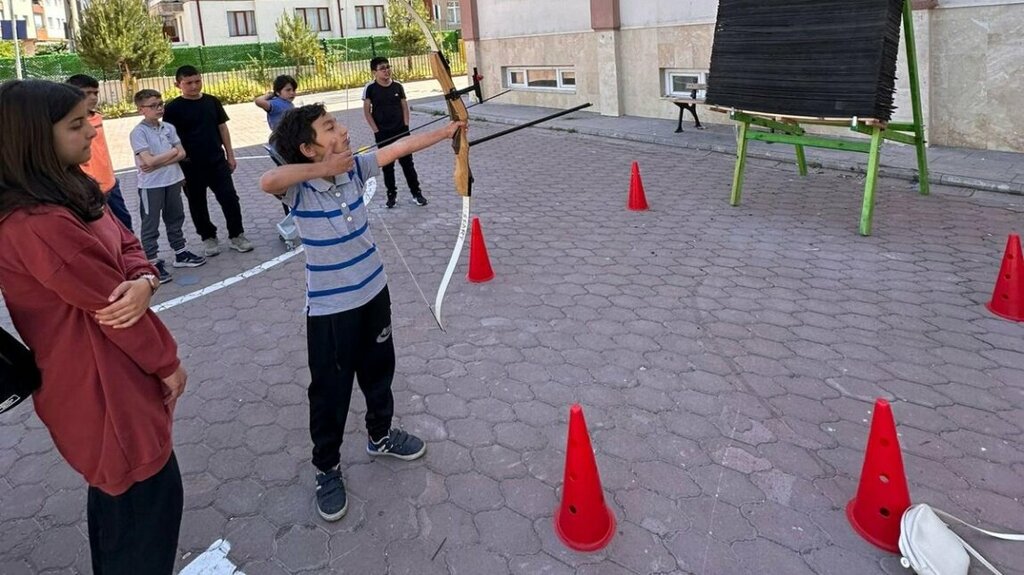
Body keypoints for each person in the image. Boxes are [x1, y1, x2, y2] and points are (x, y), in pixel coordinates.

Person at [0, 79, 186, 574]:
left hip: (117, 378)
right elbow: (114, 312)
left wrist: (145, 278)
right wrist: (168, 364)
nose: (92, 132)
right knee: (141, 515)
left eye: (91, 119)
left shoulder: (69, 187)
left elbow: (126, 243)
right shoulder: (35, 222)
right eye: (77, 124)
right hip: (101, 388)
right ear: (34, 138)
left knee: (126, 509)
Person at [260, 104, 463, 522]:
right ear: (308, 148)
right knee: (330, 392)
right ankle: (327, 467)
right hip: (331, 311)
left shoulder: (356, 169)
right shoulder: (299, 188)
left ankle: (381, 435)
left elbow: (400, 146)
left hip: (374, 293)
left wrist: (448, 132)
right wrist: (321, 170)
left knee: (378, 371)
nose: (343, 131)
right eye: (330, 128)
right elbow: (268, 180)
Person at [163, 65, 253, 257]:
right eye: (189, 83)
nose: (194, 86)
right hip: (189, 166)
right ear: (178, 84)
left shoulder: (212, 101)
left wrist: (230, 154)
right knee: (197, 203)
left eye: (197, 81)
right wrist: (177, 166)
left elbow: (222, 129)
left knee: (229, 198)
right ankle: (208, 237)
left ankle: (237, 235)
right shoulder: (172, 108)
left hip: (217, 161)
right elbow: (169, 139)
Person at [130, 88, 207, 283]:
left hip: (172, 180)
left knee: (175, 217)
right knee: (150, 223)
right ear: (141, 109)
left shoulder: (168, 128)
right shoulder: (138, 133)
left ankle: (180, 252)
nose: (159, 108)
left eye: (160, 104)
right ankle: (152, 261)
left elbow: (181, 153)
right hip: (151, 185)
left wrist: (160, 160)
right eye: (153, 106)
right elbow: (148, 161)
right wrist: (170, 155)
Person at [65, 74, 134, 232]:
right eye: (86, 93)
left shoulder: (97, 118)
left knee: (124, 226)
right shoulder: (64, 122)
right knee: (99, 230)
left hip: (109, 183)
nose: (93, 97)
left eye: (95, 93)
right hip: (87, 187)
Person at [362, 57, 427, 209]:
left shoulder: (398, 86)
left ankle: (416, 193)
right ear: (374, 72)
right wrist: (376, 131)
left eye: (388, 67)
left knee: (408, 164)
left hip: (401, 132)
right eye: (382, 68)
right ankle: (391, 196)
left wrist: (405, 125)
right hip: (383, 134)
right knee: (387, 166)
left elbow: (404, 106)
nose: (386, 70)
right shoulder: (370, 88)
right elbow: (366, 112)